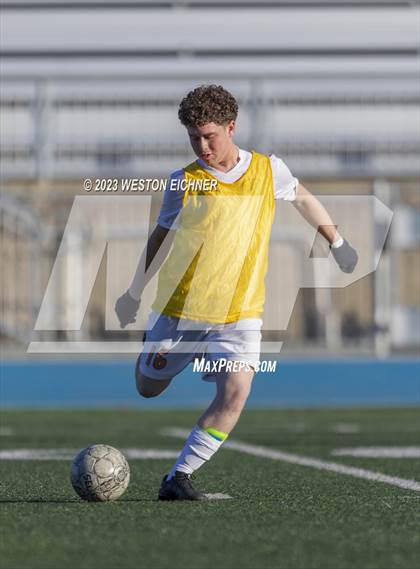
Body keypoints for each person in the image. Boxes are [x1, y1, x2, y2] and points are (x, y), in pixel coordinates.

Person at [115, 85, 358, 501]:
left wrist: (337, 242)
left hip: (241, 313)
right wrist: (133, 292)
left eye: (209, 136)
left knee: (236, 392)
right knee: (148, 388)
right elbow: (160, 239)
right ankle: (149, 346)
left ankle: (179, 476)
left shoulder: (268, 170)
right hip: (181, 310)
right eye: (194, 137)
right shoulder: (183, 182)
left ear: (231, 127)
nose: (202, 146)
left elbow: (302, 198)